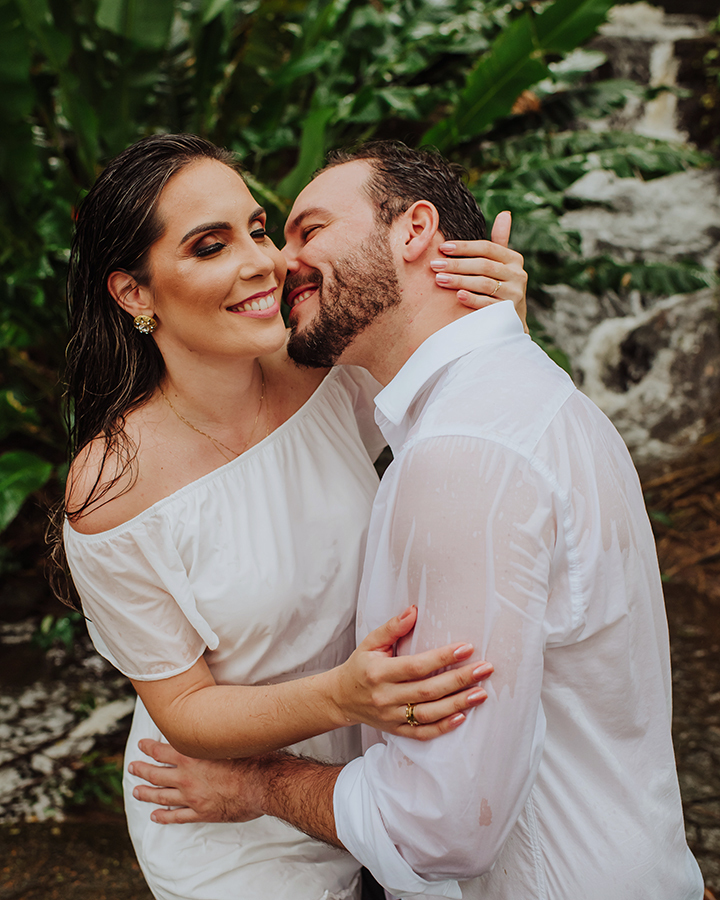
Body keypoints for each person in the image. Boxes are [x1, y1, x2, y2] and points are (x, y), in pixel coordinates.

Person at [131, 141, 704, 900]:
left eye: (307, 229)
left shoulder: (462, 455)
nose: (279, 262)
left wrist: (258, 785)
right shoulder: (533, 393)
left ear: (414, 230)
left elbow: (438, 827)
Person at [57, 133, 529, 900]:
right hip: (227, 819)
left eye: (257, 228)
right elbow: (184, 710)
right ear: (134, 293)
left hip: (376, 779)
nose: (264, 262)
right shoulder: (114, 488)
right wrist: (341, 696)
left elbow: (475, 402)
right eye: (211, 246)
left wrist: (487, 305)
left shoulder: (329, 371)